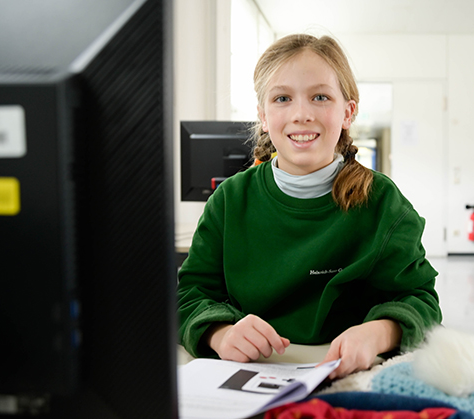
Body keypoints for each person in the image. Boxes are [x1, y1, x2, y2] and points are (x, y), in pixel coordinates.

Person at [177, 34, 442, 379]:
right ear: (263, 115)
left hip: (351, 378)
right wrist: (220, 333)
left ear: (348, 112)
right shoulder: (229, 201)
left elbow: (421, 301)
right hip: (250, 376)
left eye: (320, 97)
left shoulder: (383, 203)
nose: (301, 114)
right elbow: (189, 296)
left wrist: (378, 333)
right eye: (283, 98)